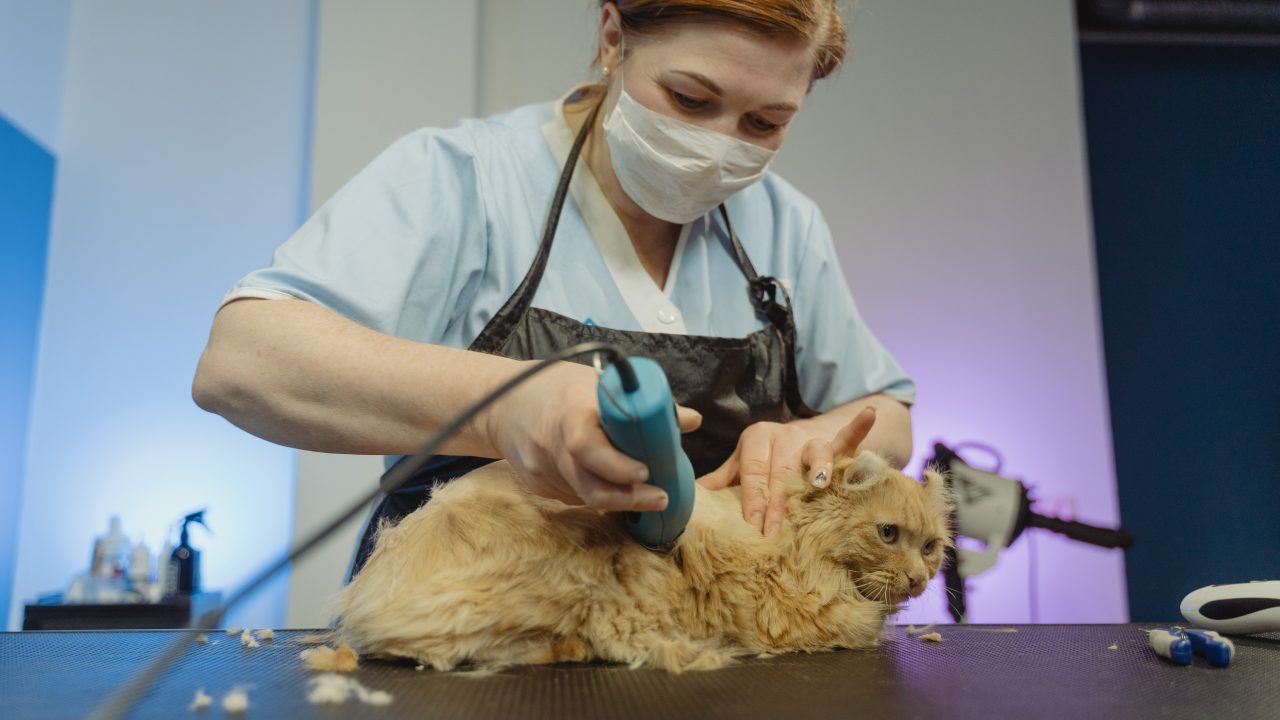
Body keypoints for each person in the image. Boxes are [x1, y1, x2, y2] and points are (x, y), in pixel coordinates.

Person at [192, 0, 915, 573]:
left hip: (708, 633)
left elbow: (888, 413)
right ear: (612, 36)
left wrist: (815, 440)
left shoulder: (783, 225)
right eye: (690, 98)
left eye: (764, 123)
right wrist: (504, 406)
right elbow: (242, 362)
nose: (720, 144)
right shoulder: (465, 180)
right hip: (474, 619)